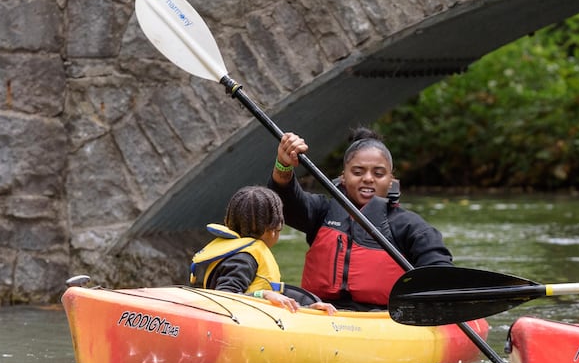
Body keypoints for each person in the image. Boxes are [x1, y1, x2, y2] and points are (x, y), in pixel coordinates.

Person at [269, 126, 452, 309]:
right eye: (358, 172)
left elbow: (439, 271)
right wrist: (283, 165)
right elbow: (283, 202)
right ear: (343, 177)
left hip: (384, 319)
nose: (368, 178)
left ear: (391, 180)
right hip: (321, 313)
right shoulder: (322, 212)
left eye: (378, 173)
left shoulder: (411, 226)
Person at [190, 185, 327, 310]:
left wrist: (307, 308)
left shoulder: (238, 252)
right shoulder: (244, 259)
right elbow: (225, 298)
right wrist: (263, 294)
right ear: (273, 229)